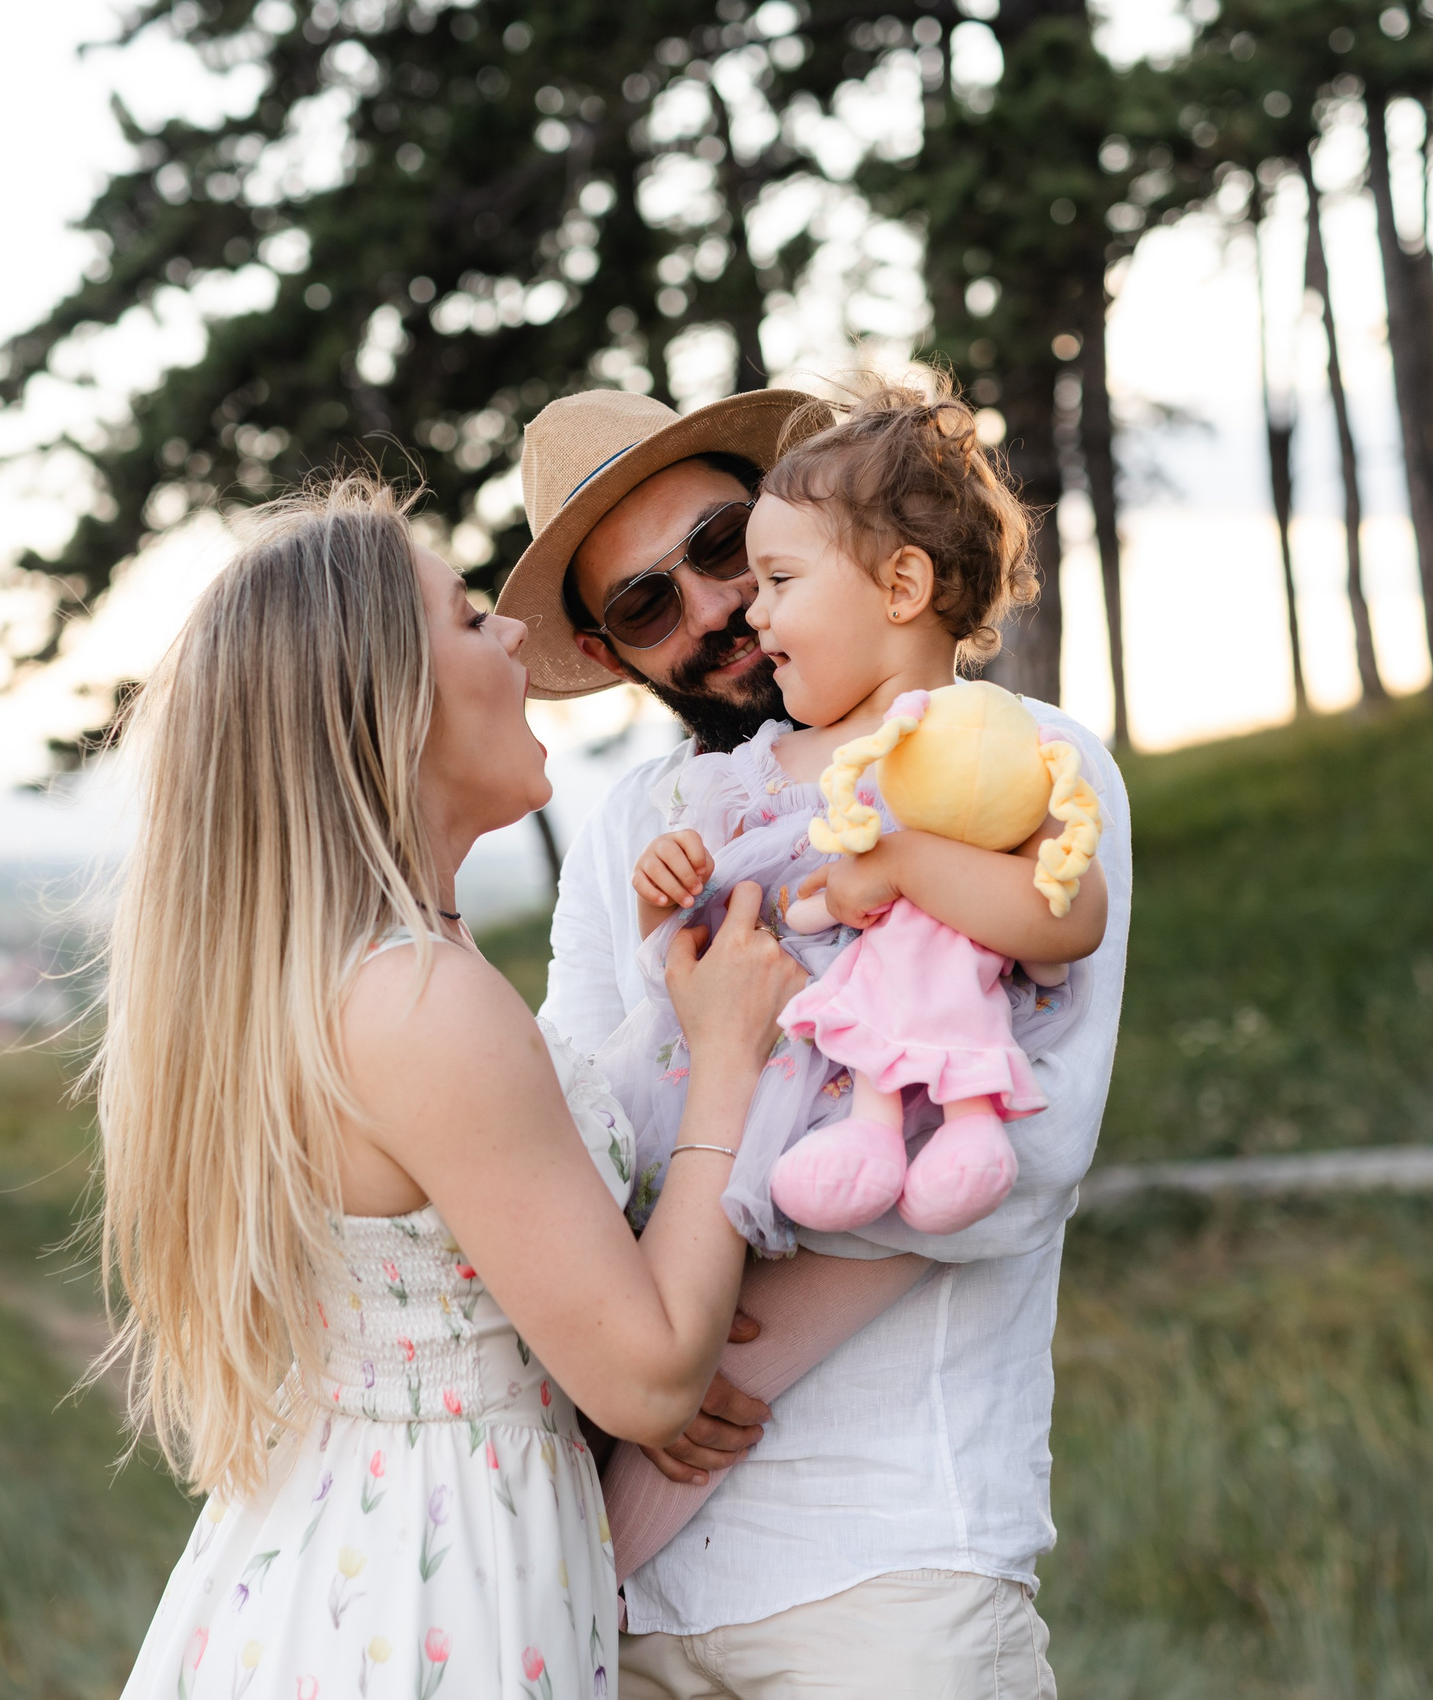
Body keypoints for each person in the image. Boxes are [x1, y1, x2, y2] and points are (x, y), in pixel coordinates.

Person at [98, 477, 811, 1700]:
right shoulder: (422, 1001)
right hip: (432, 1592)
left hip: (350, 1562)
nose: (518, 637)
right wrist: (727, 1062)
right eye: (471, 617)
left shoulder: (355, 974)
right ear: (392, 702)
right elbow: (644, 1375)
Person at [496, 385, 1134, 1699]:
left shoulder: (1012, 766)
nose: (720, 607)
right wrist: (634, 1357)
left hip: (894, 1566)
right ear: (608, 651)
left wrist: (693, 1334)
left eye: (730, 547)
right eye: (644, 602)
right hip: (634, 1605)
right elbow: (573, 1148)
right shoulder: (640, 828)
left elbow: (1024, 1157)